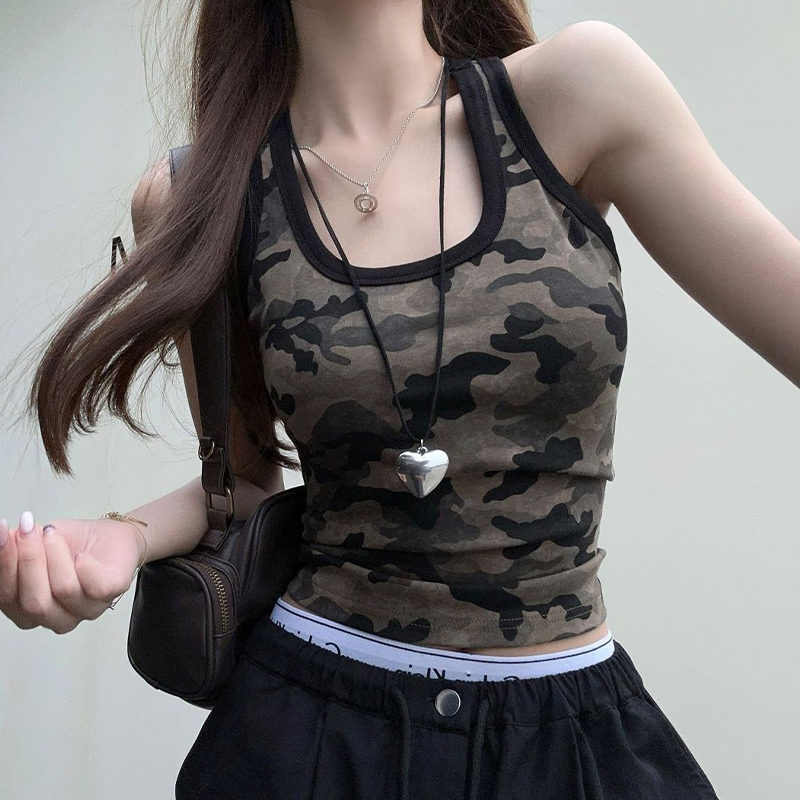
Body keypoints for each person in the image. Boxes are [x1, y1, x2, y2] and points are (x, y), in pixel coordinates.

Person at [2, 1, 798, 798]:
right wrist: (121, 535)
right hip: (311, 738)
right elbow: (245, 482)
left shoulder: (576, 93)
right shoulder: (205, 195)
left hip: (566, 737)